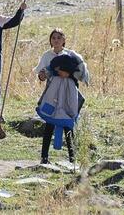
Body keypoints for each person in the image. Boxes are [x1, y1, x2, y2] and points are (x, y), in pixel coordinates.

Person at [34, 28, 89, 164]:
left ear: (64, 40)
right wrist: (42, 75)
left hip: (69, 93)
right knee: (50, 122)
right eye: (53, 38)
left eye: (59, 37)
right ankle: (44, 158)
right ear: (50, 40)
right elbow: (41, 73)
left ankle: (73, 158)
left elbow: (81, 73)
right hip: (52, 94)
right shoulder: (47, 56)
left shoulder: (72, 55)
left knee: (68, 123)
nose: (56, 40)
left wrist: (68, 74)